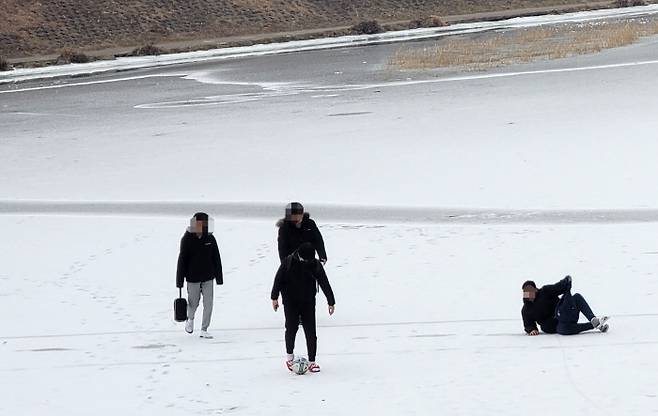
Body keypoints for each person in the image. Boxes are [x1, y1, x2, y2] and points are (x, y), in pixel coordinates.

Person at [271, 242, 335, 373]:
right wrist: (274, 297)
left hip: (308, 300)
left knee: (311, 330)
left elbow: (324, 281)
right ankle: (289, 357)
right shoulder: (288, 262)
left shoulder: (314, 264)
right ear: (300, 256)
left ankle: (312, 361)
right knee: (291, 327)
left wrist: (331, 301)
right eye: (306, 260)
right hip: (290, 301)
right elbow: (278, 279)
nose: (308, 262)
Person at [176, 212, 223, 339]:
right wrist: (179, 281)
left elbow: (216, 258)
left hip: (208, 276)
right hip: (193, 278)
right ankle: (190, 319)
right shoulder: (186, 239)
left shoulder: (210, 239)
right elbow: (182, 260)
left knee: (208, 303)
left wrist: (219, 277)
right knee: (193, 303)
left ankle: (204, 328)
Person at [522, 275, 609, 336]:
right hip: (555, 327)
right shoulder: (526, 309)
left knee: (576, 297)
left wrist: (566, 281)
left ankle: (593, 319)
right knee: (563, 329)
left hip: (565, 313)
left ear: (535, 289)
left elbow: (558, 287)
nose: (529, 293)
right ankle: (593, 325)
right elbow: (528, 324)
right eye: (526, 291)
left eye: (530, 290)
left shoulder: (545, 291)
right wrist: (532, 330)